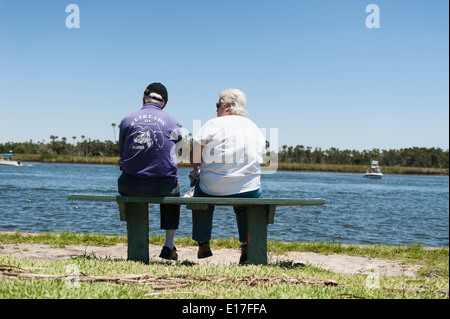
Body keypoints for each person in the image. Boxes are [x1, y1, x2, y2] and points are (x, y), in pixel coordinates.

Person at [189, 88, 266, 264]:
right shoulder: (254, 127)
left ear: (228, 106)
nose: (216, 108)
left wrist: (198, 168)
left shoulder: (213, 124)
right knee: (244, 199)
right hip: (249, 190)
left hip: (212, 188)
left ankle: (203, 242)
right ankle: (246, 245)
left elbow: (194, 157)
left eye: (218, 104)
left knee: (200, 196)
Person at [118, 82, 182, 261]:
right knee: (175, 189)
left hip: (130, 186)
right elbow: (174, 152)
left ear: (143, 97)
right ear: (165, 103)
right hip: (164, 187)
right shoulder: (173, 121)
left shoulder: (126, 120)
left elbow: (122, 156)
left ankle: (135, 240)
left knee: (127, 180)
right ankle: (169, 245)